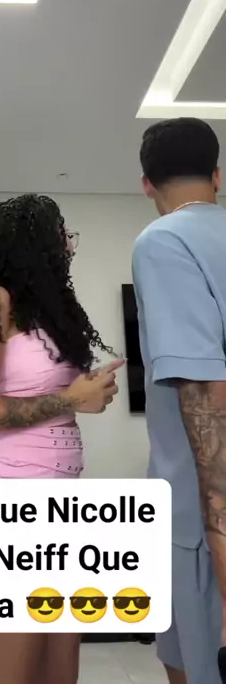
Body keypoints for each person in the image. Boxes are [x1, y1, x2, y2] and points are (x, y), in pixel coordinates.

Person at [0, 194, 123, 684]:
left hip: (63, 500)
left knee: (60, 669)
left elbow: (56, 394)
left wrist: (87, 394)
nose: (69, 245)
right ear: (34, 244)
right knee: (14, 671)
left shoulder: (52, 313)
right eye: (62, 234)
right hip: (11, 502)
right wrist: (70, 398)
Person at [132, 117, 226, 684]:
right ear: (217, 175)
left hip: (201, 517)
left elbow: (204, 392)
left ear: (146, 183)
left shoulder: (164, 241)